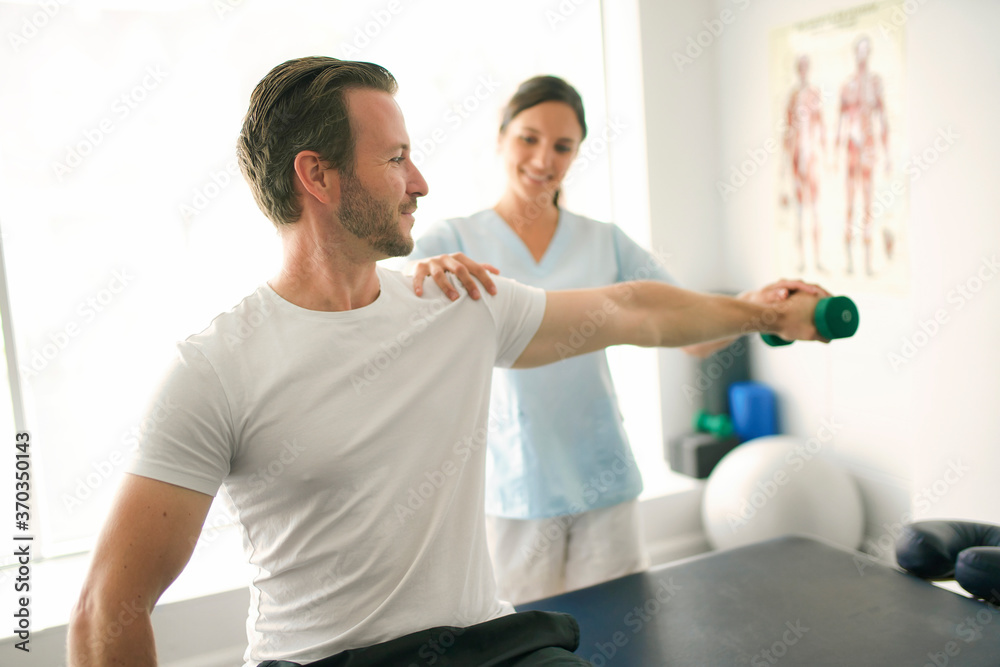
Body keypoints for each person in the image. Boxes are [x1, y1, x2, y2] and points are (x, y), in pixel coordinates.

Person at [67, 57, 827, 667]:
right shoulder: (215, 368)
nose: (420, 180)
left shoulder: (459, 306)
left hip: (482, 645)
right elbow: (110, 605)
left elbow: (630, 307)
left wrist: (762, 312)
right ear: (318, 176)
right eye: (396, 158)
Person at [404, 75, 792, 604]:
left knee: (621, 639)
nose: (544, 159)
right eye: (528, 138)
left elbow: (692, 332)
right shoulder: (451, 241)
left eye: (563, 146)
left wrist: (757, 309)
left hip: (603, 480)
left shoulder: (604, 240)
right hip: (515, 491)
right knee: (526, 646)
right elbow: (388, 313)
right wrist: (423, 271)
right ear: (500, 138)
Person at [836, 35, 890, 276]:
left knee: (868, 203)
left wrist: (887, 153)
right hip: (851, 149)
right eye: (859, 51)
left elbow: (883, 118)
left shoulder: (875, 83)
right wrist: (835, 154)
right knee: (850, 203)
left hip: (868, 147)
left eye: (865, 51)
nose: (862, 56)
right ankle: (849, 261)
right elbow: (840, 121)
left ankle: (867, 262)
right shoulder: (848, 85)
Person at [782, 55, 827, 273]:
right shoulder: (792, 97)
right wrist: (784, 170)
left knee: (816, 210)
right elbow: (787, 131)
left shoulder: (814, 94)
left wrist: (825, 156)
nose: (803, 71)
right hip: (797, 157)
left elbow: (821, 126)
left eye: (805, 68)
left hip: (812, 157)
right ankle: (801, 260)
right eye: (800, 68)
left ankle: (817, 259)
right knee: (800, 212)